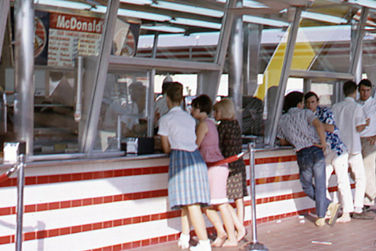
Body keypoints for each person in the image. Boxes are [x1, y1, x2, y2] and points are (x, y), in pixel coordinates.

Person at [158, 82, 212, 251]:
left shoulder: (165, 119)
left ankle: (204, 243)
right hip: (196, 157)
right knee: (187, 202)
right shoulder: (189, 118)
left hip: (180, 158)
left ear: (167, 98)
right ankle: (185, 236)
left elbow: (166, 147)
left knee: (191, 203)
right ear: (182, 99)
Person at [277, 91, 340, 227]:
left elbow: (282, 142)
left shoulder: (282, 119)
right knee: (320, 182)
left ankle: (325, 211)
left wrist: (295, 140)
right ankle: (325, 211)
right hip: (316, 149)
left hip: (302, 153)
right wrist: (323, 142)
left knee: (306, 185)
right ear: (299, 103)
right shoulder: (306, 113)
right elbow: (318, 125)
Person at [191, 95, 237, 247]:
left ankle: (231, 237)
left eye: (193, 107)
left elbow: (195, 144)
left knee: (221, 204)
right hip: (217, 165)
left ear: (199, 109)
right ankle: (222, 232)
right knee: (207, 204)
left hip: (214, 166)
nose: (191, 110)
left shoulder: (203, 124)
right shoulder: (211, 123)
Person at [304, 92, 353, 223]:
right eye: (308, 103)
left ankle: (347, 212)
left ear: (317, 102)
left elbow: (331, 128)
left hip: (337, 150)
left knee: (342, 181)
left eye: (313, 102)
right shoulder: (304, 114)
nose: (310, 105)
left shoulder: (325, 112)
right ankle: (327, 209)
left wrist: (315, 123)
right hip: (323, 153)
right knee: (321, 182)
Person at [332, 80, 373, 219]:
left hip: (339, 147)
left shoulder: (335, 107)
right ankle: (358, 207)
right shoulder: (357, 108)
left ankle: (346, 209)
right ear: (355, 91)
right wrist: (366, 124)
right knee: (360, 177)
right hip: (354, 147)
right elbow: (358, 127)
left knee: (342, 179)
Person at [213, 99, 247, 240]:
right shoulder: (235, 124)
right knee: (238, 197)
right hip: (238, 163)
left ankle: (237, 227)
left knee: (225, 198)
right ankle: (240, 226)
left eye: (216, 111)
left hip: (227, 164)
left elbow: (218, 146)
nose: (214, 114)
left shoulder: (222, 127)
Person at [357, 79, 376, 210]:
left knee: (368, 168)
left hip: (370, 140)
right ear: (359, 90)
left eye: (367, 90)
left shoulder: (374, 105)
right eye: (363, 90)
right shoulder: (356, 104)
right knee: (357, 171)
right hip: (357, 139)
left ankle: (369, 199)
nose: (365, 93)